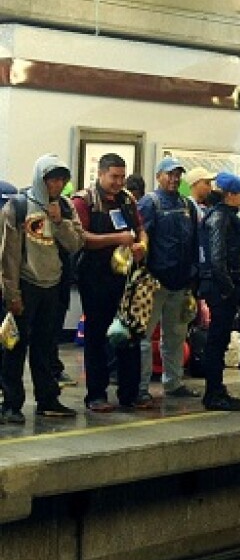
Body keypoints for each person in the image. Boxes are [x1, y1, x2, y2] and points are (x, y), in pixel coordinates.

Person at [1, 155, 85, 421]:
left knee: (47, 347)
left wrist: (60, 222)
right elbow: (8, 255)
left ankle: (48, 399)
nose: (57, 185)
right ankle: (11, 404)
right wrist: (12, 293)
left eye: (61, 180)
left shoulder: (66, 207)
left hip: (53, 286)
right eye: (52, 180)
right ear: (41, 179)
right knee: (15, 347)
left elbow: (76, 244)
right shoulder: (18, 206)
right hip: (25, 285)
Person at [70, 153, 148, 413]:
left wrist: (141, 245)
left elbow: (140, 227)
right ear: (100, 173)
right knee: (96, 337)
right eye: (114, 176)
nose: (118, 182)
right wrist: (116, 238)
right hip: (95, 278)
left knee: (129, 332)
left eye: (122, 177)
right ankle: (96, 394)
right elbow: (81, 237)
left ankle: (130, 393)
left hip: (125, 278)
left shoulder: (127, 200)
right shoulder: (84, 201)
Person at [137, 155, 201, 399]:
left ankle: (173, 383)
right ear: (158, 176)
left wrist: (193, 276)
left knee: (176, 336)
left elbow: (195, 241)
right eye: (169, 174)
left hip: (181, 283)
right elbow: (141, 238)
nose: (174, 178)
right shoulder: (149, 203)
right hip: (154, 283)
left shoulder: (187, 205)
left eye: (177, 174)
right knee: (144, 337)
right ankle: (141, 387)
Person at [197, 173, 240, 411]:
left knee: (218, 339)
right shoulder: (221, 218)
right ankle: (214, 391)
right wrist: (230, 288)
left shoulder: (217, 215)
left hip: (217, 284)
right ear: (230, 195)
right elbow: (218, 259)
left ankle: (215, 389)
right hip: (219, 287)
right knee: (217, 340)